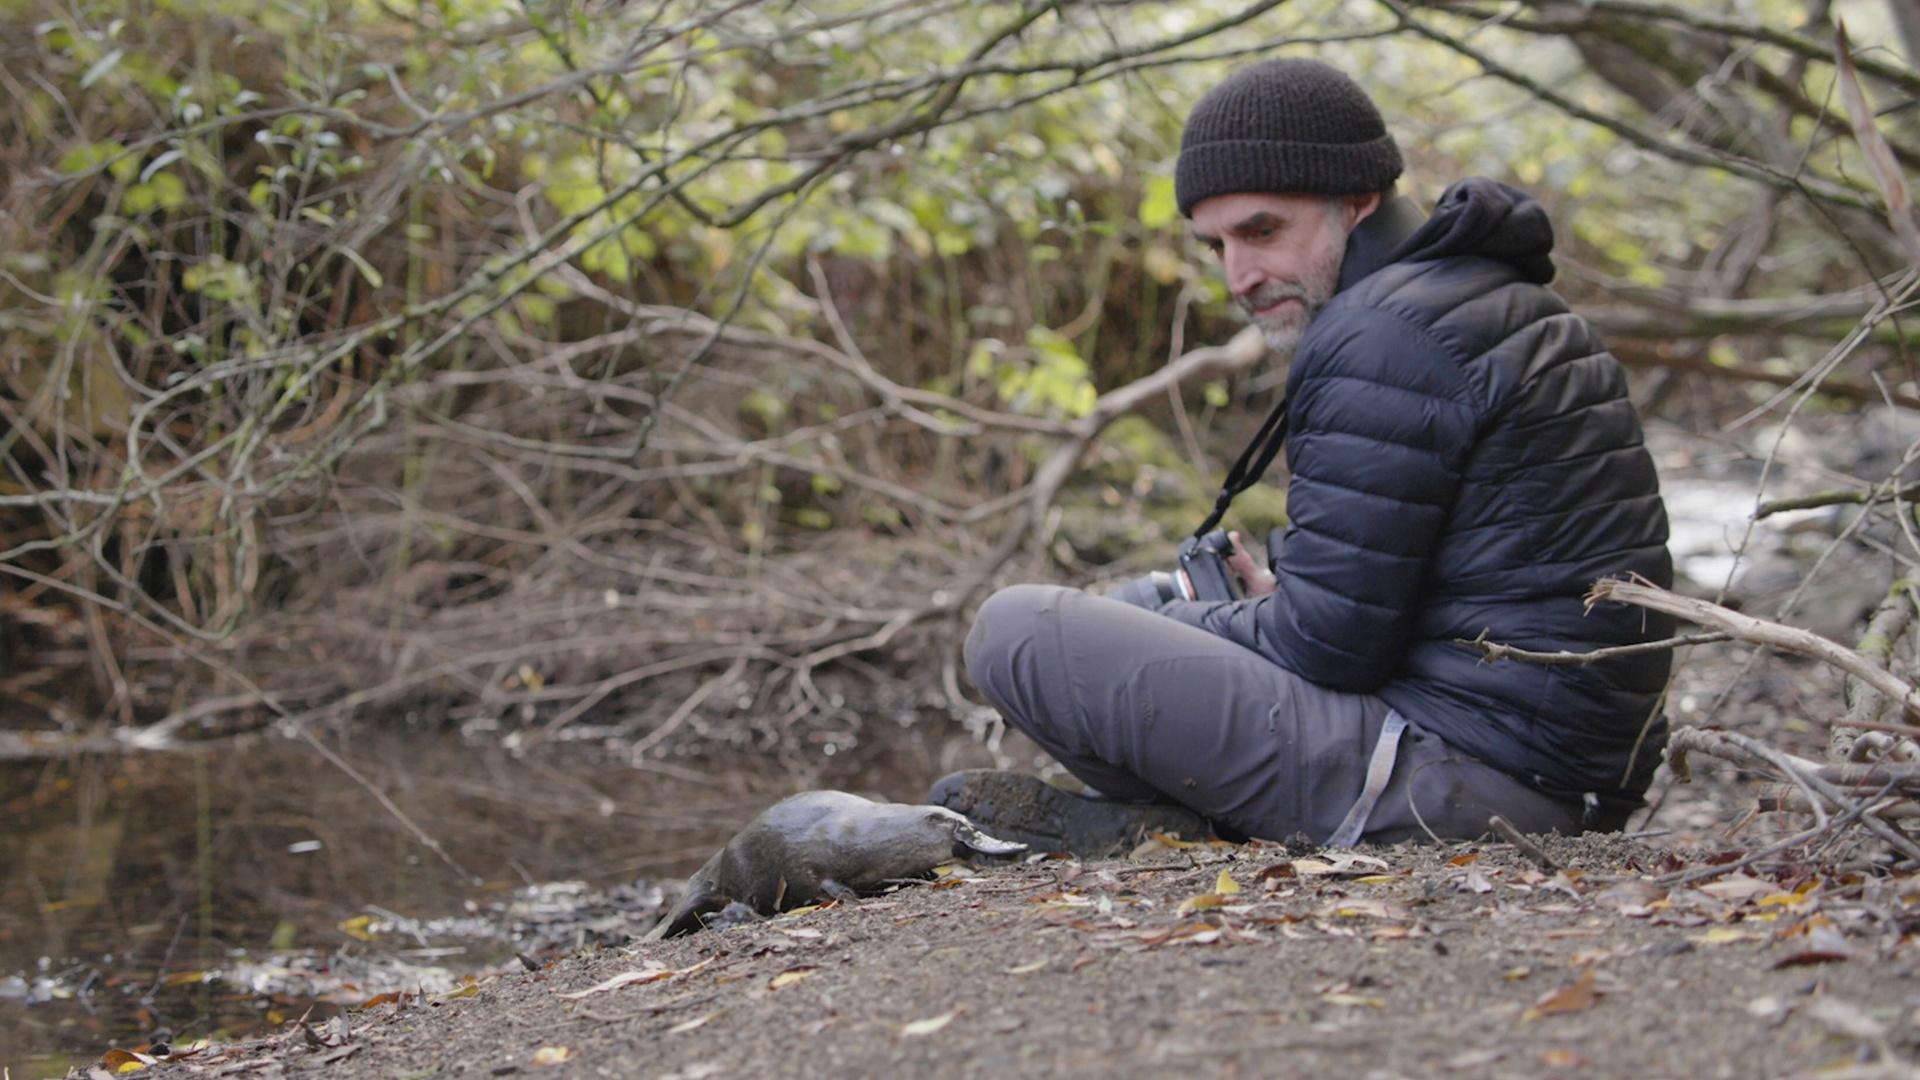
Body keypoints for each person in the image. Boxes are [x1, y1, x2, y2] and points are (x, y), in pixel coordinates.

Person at [930, 57, 1674, 855]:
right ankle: (1167, 825)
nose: (1240, 275)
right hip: (1552, 770)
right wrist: (1278, 599)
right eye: (1215, 245)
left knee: (1017, 633)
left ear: (1355, 199)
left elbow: (1328, 647)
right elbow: (1464, 580)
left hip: (1475, 784)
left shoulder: (1384, 332)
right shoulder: (1481, 298)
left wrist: (1198, 615)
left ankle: (1177, 829)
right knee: (1138, 610)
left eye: (1262, 231)